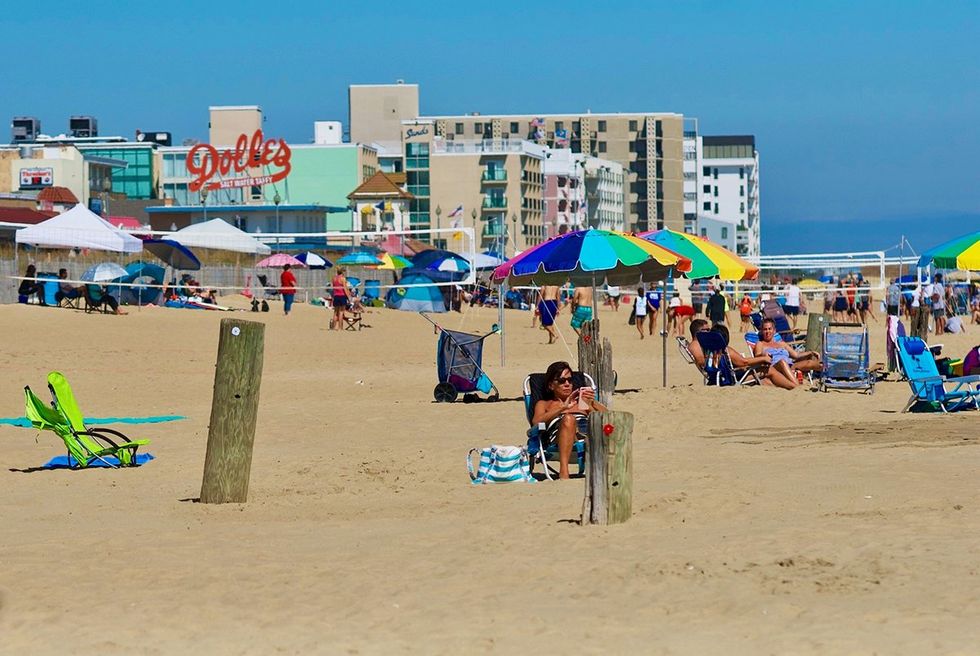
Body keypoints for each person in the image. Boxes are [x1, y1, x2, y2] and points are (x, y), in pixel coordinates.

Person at [531, 361, 607, 480]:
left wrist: (592, 403)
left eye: (570, 380)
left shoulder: (580, 402)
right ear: (551, 385)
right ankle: (564, 471)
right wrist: (563, 407)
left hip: (586, 435)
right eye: (561, 381)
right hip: (558, 437)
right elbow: (536, 422)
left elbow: (610, 419)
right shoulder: (545, 404)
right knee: (568, 419)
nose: (567, 384)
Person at [751, 318, 821, 387]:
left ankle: (829, 376)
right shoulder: (760, 344)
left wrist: (811, 352)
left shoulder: (782, 344)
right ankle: (797, 386)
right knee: (782, 362)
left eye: (770, 329)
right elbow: (757, 356)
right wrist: (763, 355)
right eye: (765, 329)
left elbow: (796, 355)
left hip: (790, 366)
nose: (767, 331)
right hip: (774, 367)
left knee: (810, 362)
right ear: (762, 331)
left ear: (774, 331)